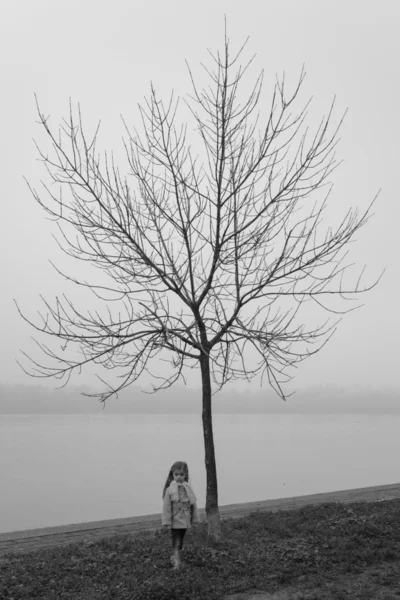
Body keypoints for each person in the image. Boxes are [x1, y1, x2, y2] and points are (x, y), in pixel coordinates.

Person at [162, 461, 200, 569]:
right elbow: (166, 507)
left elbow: (193, 504)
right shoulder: (170, 490)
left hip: (185, 520)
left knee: (181, 542)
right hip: (175, 520)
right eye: (176, 474)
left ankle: (175, 557)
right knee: (177, 541)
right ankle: (177, 564)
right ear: (172, 475)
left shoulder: (188, 488)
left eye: (181, 474)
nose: (179, 477)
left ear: (186, 474)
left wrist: (195, 518)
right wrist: (166, 522)